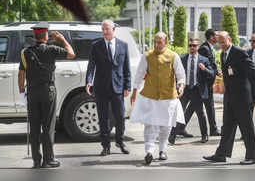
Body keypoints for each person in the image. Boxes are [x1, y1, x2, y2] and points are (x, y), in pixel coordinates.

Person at [18, 22, 75, 168]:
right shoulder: (52, 49)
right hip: (48, 91)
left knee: (35, 127)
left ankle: (36, 160)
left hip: (32, 92)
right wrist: (62, 40)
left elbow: (21, 74)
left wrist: (21, 92)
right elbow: (71, 54)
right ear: (46, 36)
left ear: (35, 36)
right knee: (48, 126)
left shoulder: (26, 52)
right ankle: (48, 160)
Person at [203, 31, 255, 165]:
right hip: (230, 97)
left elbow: (254, 73)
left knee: (246, 127)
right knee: (227, 127)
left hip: (242, 97)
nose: (221, 44)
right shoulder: (224, 54)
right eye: (219, 42)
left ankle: (252, 157)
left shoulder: (239, 52)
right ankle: (221, 154)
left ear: (229, 39)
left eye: (223, 41)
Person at [130, 32, 186, 165]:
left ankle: (162, 150)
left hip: (169, 98)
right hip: (151, 97)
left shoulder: (173, 56)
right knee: (150, 125)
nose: (156, 44)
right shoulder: (147, 56)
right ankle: (149, 151)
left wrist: (181, 86)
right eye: (155, 42)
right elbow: (139, 74)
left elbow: (181, 75)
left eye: (159, 42)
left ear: (165, 42)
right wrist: (134, 91)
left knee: (166, 126)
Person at [86, 19, 131, 156]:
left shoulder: (123, 45)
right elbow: (91, 65)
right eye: (103, 29)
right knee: (103, 118)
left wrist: (127, 85)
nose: (104, 31)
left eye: (107, 29)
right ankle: (106, 146)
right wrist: (89, 81)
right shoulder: (96, 45)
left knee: (120, 117)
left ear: (113, 30)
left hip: (118, 87)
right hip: (101, 87)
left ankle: (120, 141)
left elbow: (126, 68)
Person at [169, 38, 214, 145]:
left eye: (194, 45)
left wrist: (204, 69)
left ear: (198, 47)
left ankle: (204, 135)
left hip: (197, 90)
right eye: (190, 46)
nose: (192, 47)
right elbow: (175, 73)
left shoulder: (204, 60)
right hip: (185, 89)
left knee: (200, 113)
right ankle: (172, 135)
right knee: (178, 113)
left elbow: (212, 73)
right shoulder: (182, 58)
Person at [198, 29, 221, 136]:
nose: (218, 37)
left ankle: (213, 129)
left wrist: (217, 72)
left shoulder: (209, 47)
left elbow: (212, 64)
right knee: (205, 106)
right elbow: (207, 65)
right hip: (204, 84)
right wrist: (215, 72)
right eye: (216, 35)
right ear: (211, 37)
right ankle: (213, 129)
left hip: (207, 83)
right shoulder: (204, 48)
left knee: (208, 106)